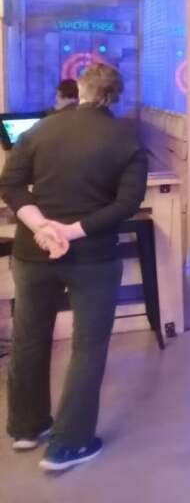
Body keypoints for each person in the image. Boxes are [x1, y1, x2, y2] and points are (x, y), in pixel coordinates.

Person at [1, 64, 147, 472]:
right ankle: (69, 444)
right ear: (116, 95)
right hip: (93, 257)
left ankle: (27, 428)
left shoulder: (41, 129)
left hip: (35, 251)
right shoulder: (125, 139)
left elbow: (10, 184)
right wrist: (73, 230)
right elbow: (127, 203)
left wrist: (42, 227)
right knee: (88, 346)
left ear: (80, 90)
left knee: (29, 337)